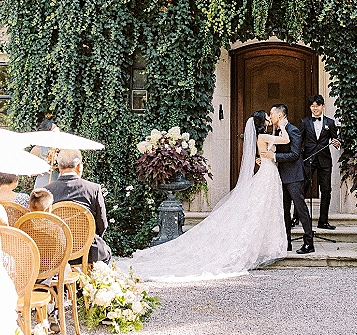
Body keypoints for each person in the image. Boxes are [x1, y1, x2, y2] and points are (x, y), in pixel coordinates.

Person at [117, 111, 288, 281]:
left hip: (268, 172)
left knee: (265, 207)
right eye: (267, 117)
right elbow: (286, 140)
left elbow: (267, 153)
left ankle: (265, 245)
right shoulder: (264, 136)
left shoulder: (263, 137)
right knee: (262, 207)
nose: (269, 119)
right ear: (262, 122)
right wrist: (283, 127)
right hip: (267, 174)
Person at [46, 149, 112, 264]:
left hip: (56, 253)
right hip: (88, 252)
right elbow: (102, 224)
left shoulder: (47, 191)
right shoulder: (93, 189)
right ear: (79, 166)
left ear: (59, 168)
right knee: (105, 252)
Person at [271, 104, 315, 255]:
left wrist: (275, 157)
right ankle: (287, 242)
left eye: (272, 114)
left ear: (280, 115)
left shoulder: (293, 130)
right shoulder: (277, 131)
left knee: (301, 209)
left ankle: (309, 243)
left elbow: (295, 154)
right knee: (284, 211)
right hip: (282, 177)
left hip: (295, 177)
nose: (270, 117)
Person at [297, 95, 340, 231]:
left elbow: (336, 140)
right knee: (301, 188)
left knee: (326, 190)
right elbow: (299, 140)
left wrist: (337, 143)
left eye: (317, 105)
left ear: (323, 106)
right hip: (308, 159)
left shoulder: (330, 122)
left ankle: (323, 220)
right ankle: (295, 218)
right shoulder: (304, 122)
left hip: (325, 160)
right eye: (312, 106)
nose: (314, 108)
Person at [31, 118, 60, 189]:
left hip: (58, 184)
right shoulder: (37, 149)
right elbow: (30, 171)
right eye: (54, 131)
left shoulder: (60, 149)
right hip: (43, 184)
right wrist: (44, 169)